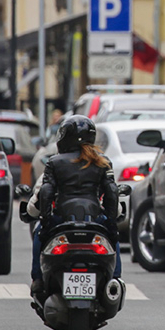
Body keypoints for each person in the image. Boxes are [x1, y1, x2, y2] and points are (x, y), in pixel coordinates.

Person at [30, 115, 121, 297]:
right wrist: (111, 223)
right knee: (113, 240)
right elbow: (111, 192)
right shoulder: (102, 161)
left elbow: (46, 192)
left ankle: (38, 280)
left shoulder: (54, 162)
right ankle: (116, 279)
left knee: (38, 234)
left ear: (64, 136)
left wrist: (46, 221)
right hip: (95, 218)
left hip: (61, 219)